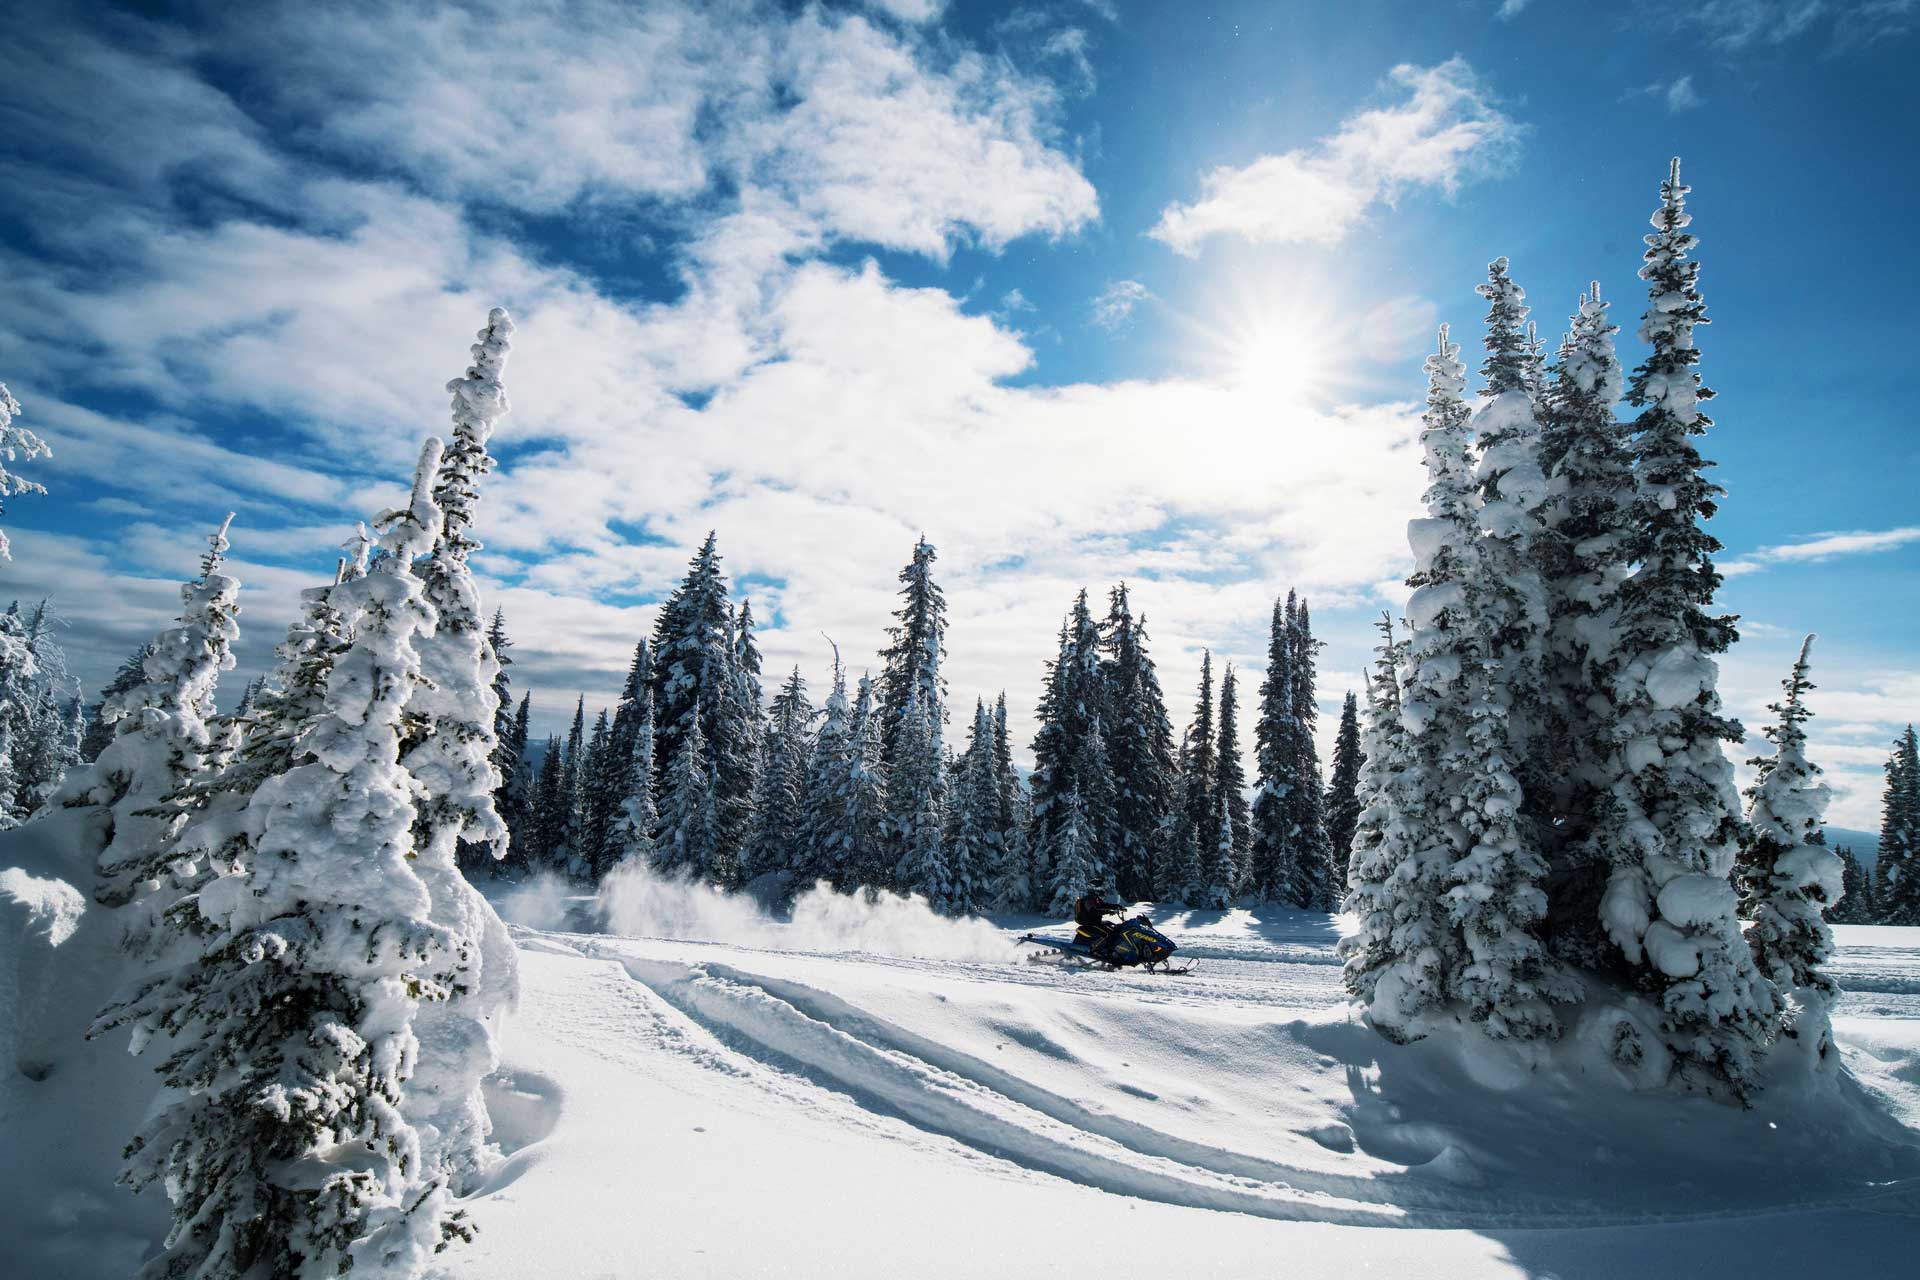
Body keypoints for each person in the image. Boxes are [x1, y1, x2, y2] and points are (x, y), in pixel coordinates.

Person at [1073, 886, 1125, 957]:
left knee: (1114, 929)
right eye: (1099, 888)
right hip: (1090, 924)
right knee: (1107, 934)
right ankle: (1098, 951)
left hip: (1096, 922)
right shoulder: (1089, 899)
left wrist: (1117, 906)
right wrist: (1108, 911)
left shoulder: (1095, 898)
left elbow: (1104, 905)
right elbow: (1093, 911)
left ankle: (1115, 951)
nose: (1101, 890)